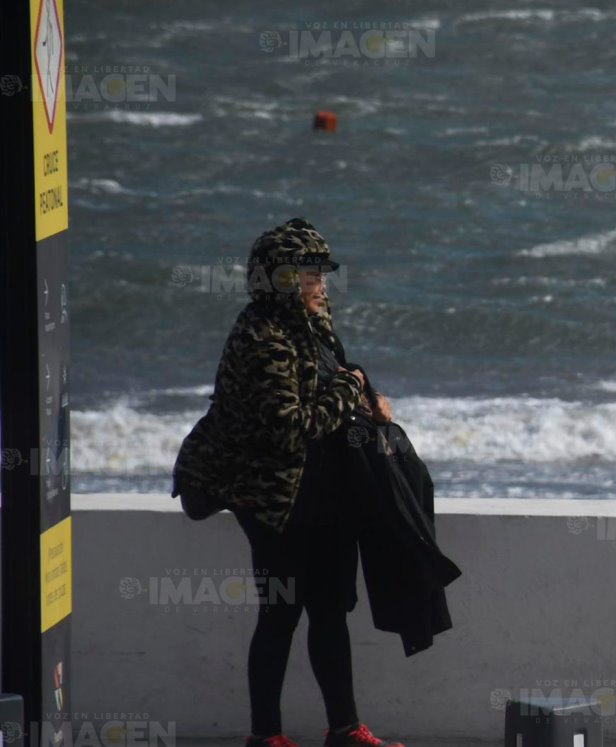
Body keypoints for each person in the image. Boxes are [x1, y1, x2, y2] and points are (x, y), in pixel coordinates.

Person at [172, 218, 405, 747]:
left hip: (323, 493)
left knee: (330, 612)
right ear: (281, 280)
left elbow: (340, 380)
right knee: (280, 615)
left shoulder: (312, 322)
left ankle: (345, 729)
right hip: (272, 497)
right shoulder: (262, 338)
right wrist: (351, 389)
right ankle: (266, 737)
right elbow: (292, 427)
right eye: (310, 275)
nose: (322, 285)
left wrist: (368, 401)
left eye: (322, 274)